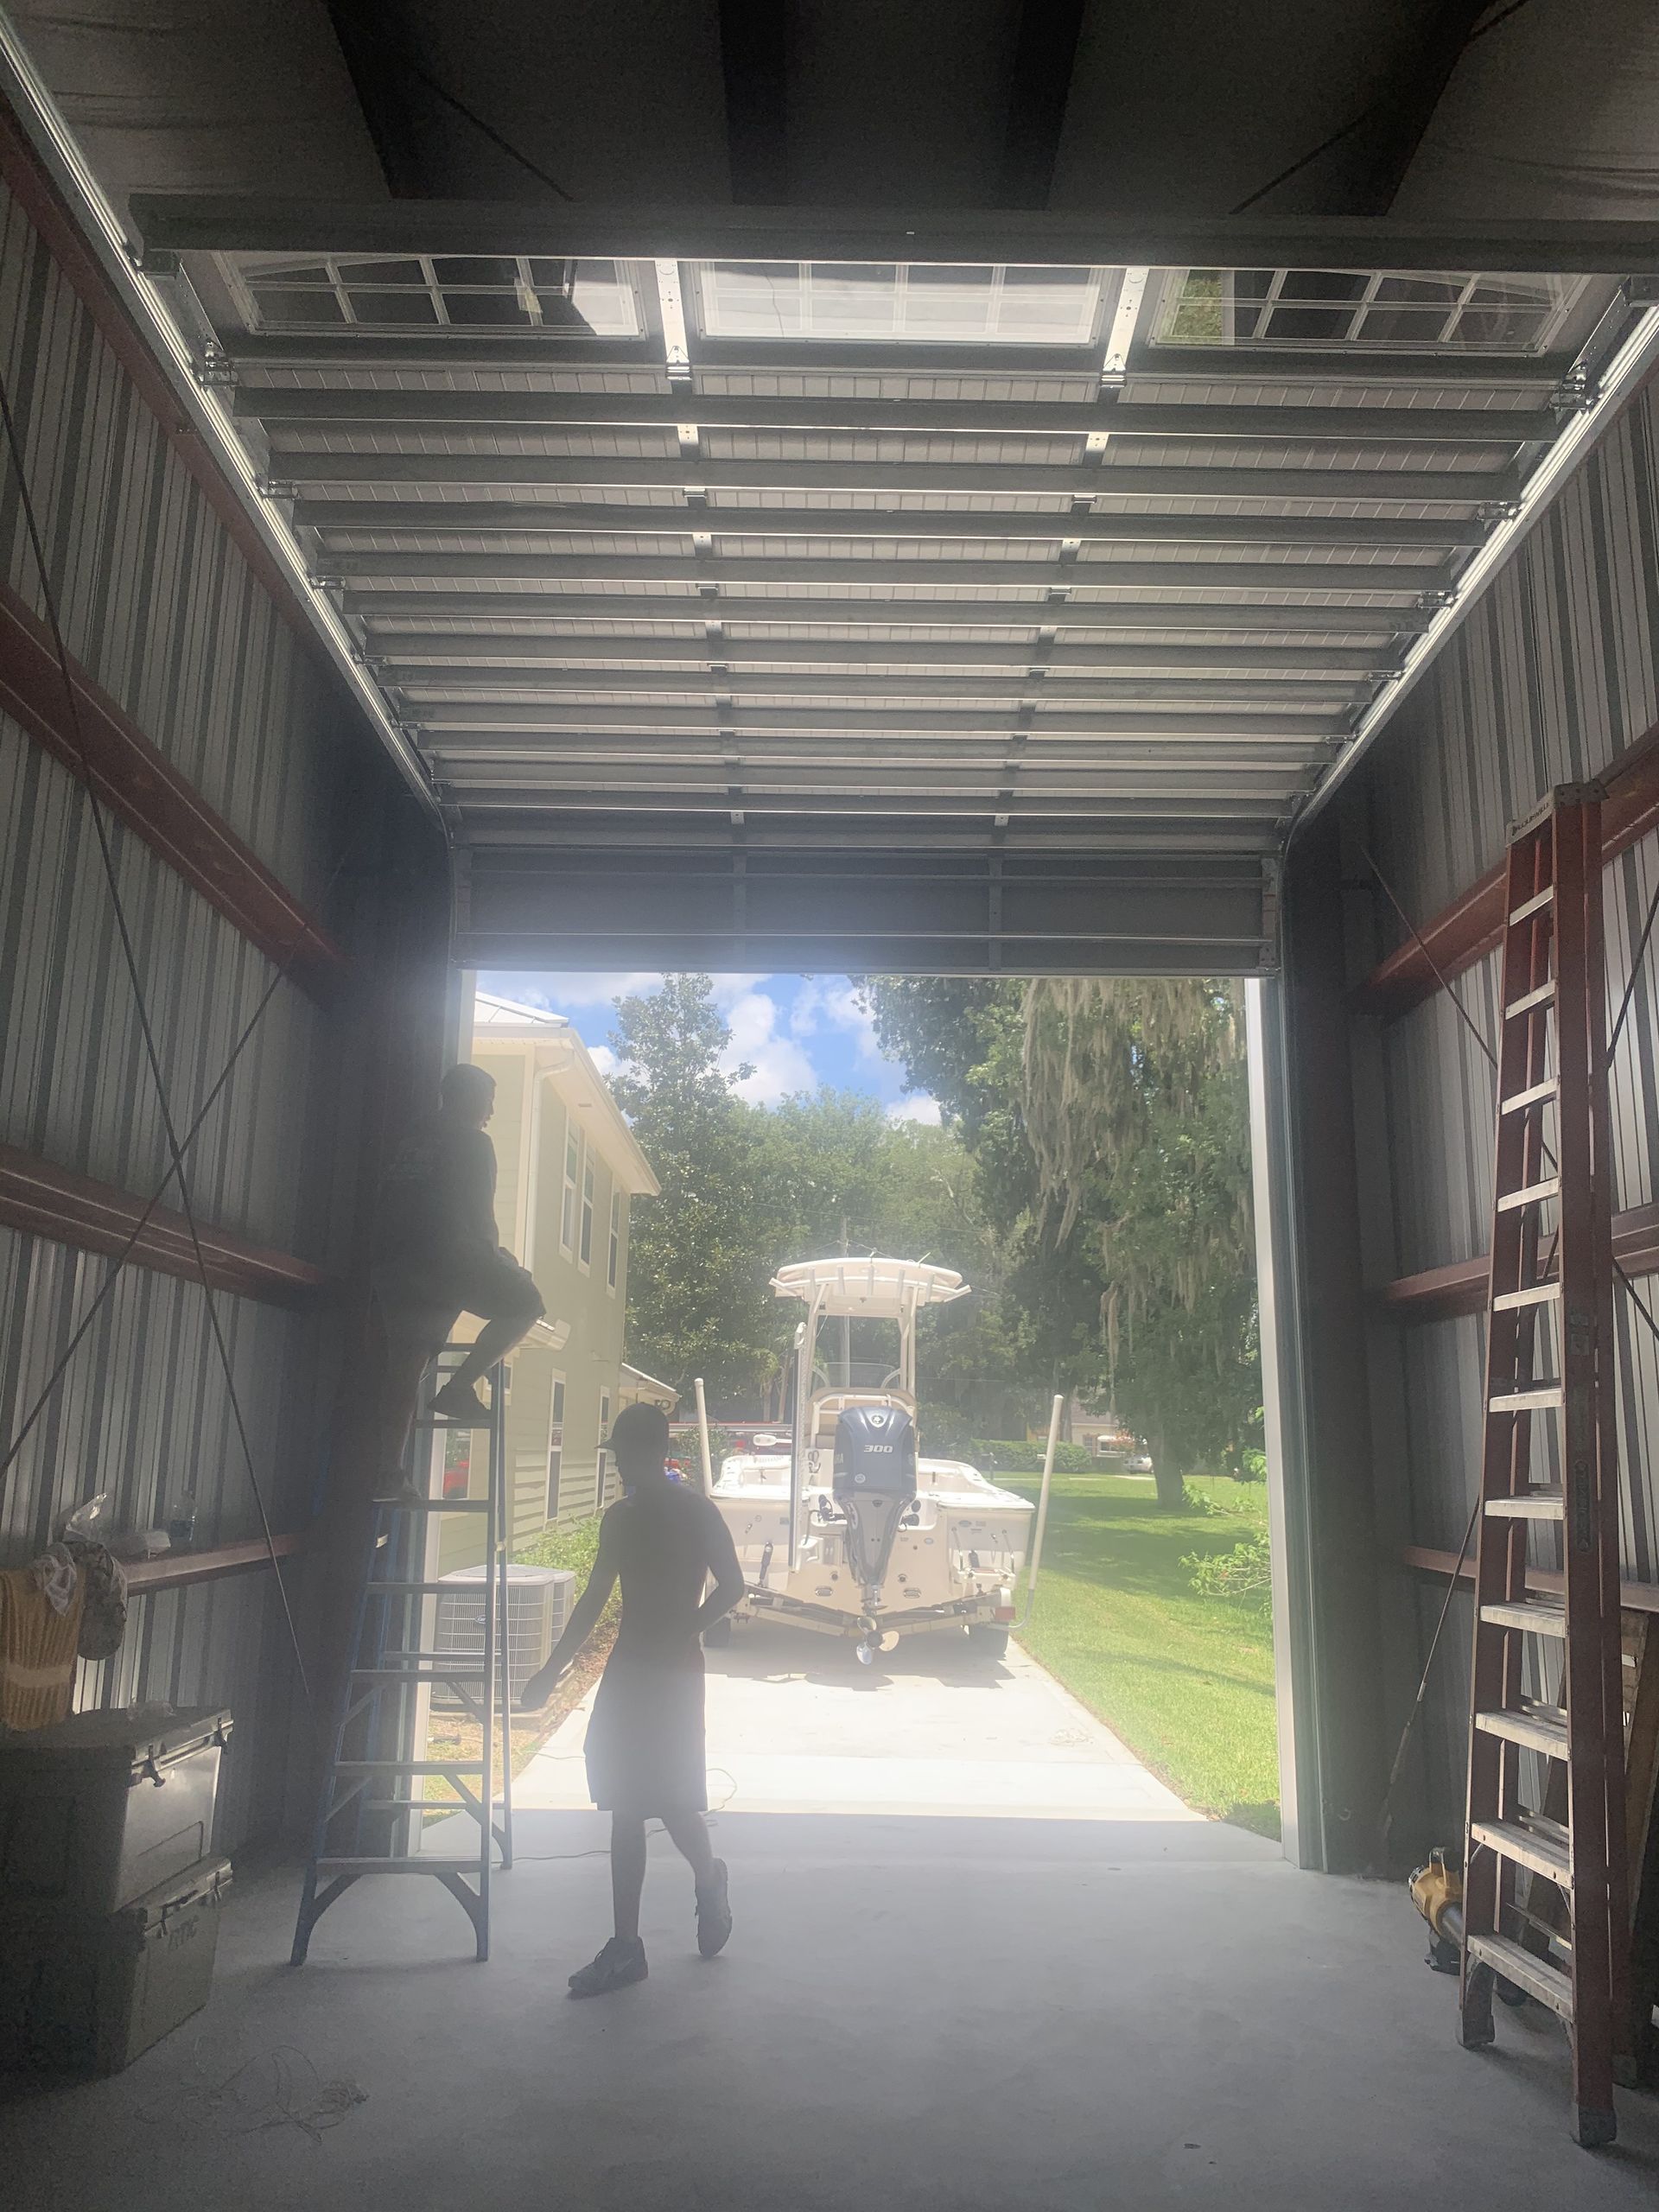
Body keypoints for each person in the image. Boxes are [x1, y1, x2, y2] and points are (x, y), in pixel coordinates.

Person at [520, 1401, 746, 1997]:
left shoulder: (697, 1512)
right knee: (624, 1804)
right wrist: (550, 1670)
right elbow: (595, 1598)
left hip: (674, 1673)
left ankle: (708, 1878)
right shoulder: (619, 1519)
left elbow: (735, 1585)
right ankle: (627, 1948)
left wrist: (687, 1627)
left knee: (672, 1803)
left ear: (651, 1451)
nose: (617, 1464)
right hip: (628, 1672)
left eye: (623, 1453)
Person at [373, 1063, 546, 1465]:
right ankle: (460, 1387)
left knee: (405, 1369)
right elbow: (480, 1218)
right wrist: (501, 1262)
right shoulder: (473, 1144)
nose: (491, 1112)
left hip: (395, 1267)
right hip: (448, 1258)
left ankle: (388, 1472)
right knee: (527, 1302)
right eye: (487, 1101)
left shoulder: (411, 1141)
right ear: (467, 1099)